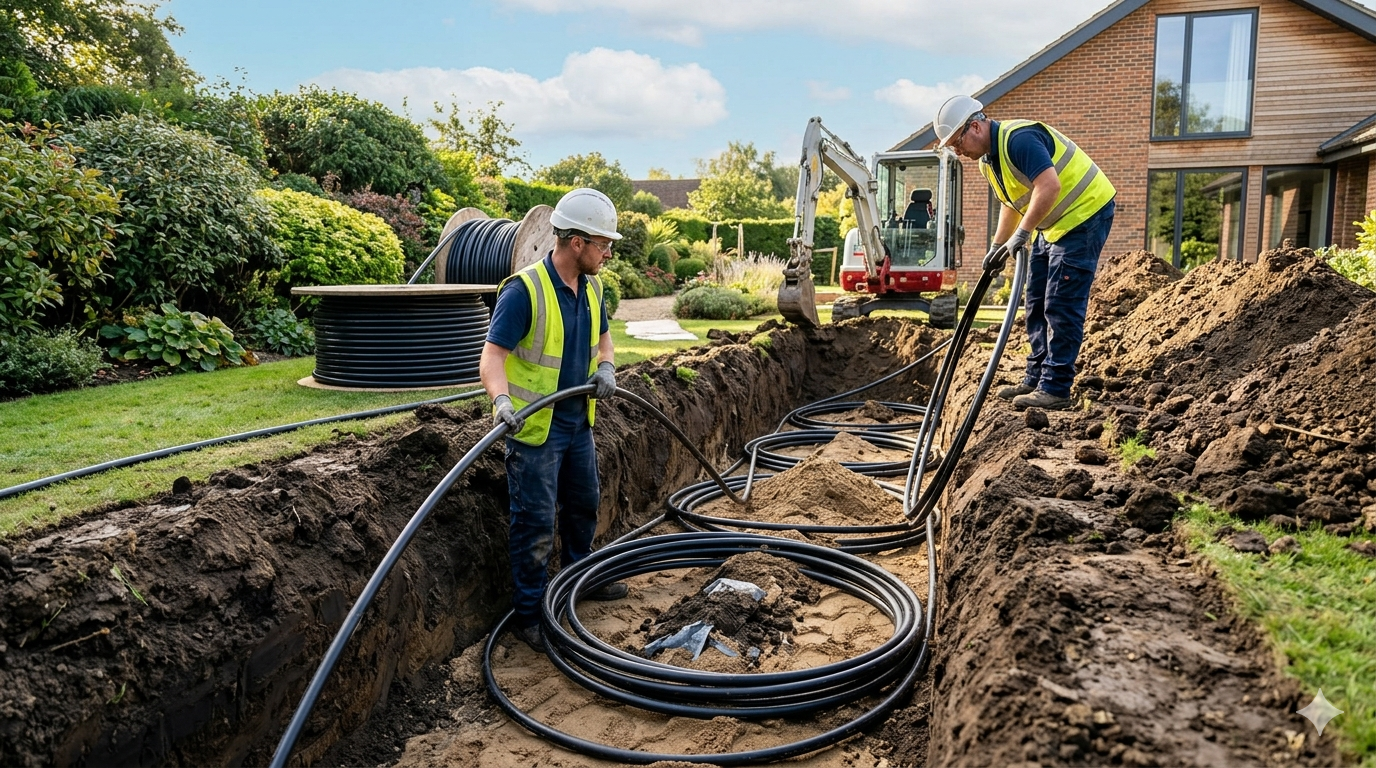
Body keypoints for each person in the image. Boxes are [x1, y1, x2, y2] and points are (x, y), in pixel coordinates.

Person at [479, 187, 627, 653]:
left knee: (584, 506)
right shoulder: (524, 291)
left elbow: (603, 342)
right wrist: (502, 403)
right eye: (603, 243)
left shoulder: (593, 287)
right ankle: (530, 614)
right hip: (535, 430)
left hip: (576, 423)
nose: (609, 252)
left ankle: (580, 579)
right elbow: (491, 358)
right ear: (577, 242)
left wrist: (606, 365)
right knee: (536, 524)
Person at [934, 95, 1117, 411]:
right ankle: (1035, 378)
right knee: (1034, 303)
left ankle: (1056, 388)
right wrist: (997, 247)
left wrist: (1022, 234)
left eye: (956, 143)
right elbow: (1011, 202)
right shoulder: (988, 162)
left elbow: (1050, 187)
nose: (957, 151)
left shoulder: (1020, 139)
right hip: (1053, 225)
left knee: (1061, 304)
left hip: (1085, 213)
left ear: (974, 126)